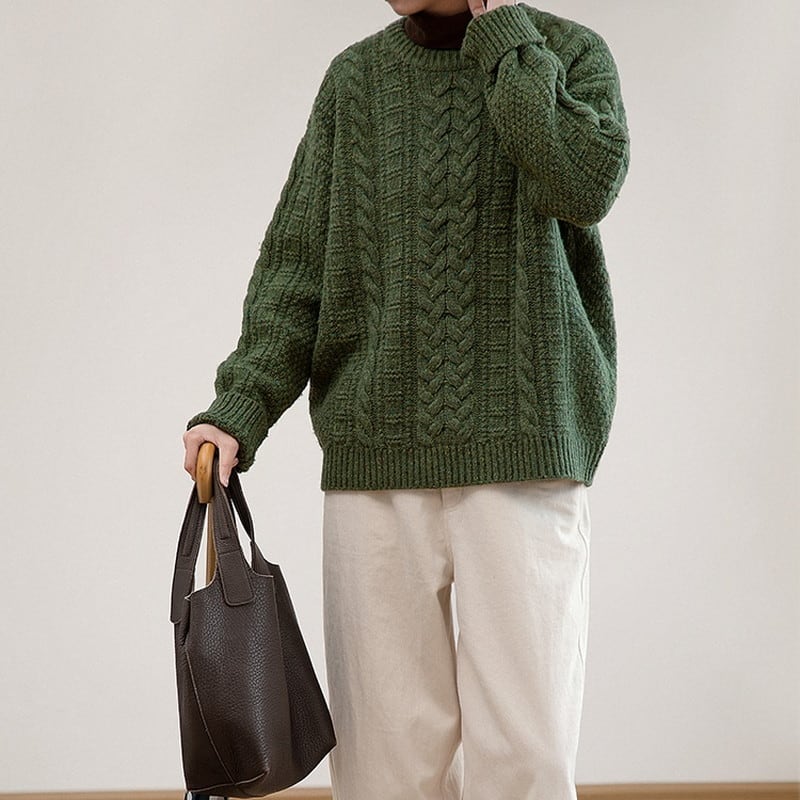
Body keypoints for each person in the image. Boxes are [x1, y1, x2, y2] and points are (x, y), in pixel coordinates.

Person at [183, 0, 630, 798]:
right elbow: (297, 268)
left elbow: (584, 182)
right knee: (384, 764)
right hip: (375, 462)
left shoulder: (566, 53)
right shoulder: (356, 82)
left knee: (528, 755)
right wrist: (238, 405)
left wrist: (503, 37)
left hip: (523, 454)